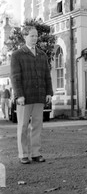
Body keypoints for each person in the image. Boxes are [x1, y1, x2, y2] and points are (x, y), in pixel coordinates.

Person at [10, 26, 53, 165]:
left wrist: (48, 93)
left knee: (37, 126)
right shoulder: (17, 55)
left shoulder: (42, 55)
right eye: (32, 36)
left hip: (39, 96)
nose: (35, 38)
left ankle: (36, 153)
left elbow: (47, 76)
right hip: (24, 97)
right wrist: (19, 95)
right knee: (22, 126)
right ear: (25, 37)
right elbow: (15, 77)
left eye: (36, 36)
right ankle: (23, 154)